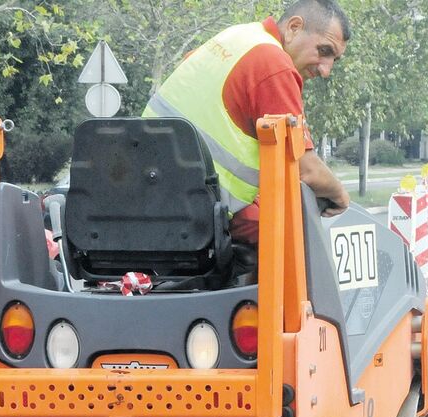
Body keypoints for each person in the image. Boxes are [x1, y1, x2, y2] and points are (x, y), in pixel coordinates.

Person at [143, 0, 352, 245]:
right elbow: (306, 171)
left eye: (334, 60)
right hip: (197, 213)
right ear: (294, 28)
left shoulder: (236, 36)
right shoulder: (274, 64)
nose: (326, 70)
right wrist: (340, 194)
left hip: (151, 192)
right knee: (296, 240)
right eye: (324, 51)